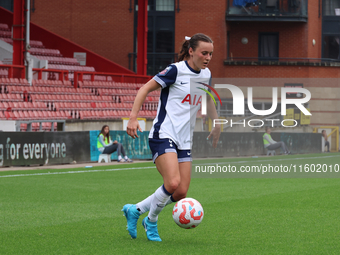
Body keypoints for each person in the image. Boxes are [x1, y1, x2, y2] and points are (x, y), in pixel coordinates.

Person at [122, 33, 221, 242]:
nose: (208, 57)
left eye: (211, 53)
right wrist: (133, 118)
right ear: (191, 51)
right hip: (163, 134)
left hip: (184, 140)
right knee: (173, 182)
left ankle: (135, 209)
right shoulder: (175, 70)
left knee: (180, 192)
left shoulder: (206, 74)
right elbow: (145, 88)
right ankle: (151, 221)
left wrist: (216, 122)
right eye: (204, 53)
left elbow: (209, 98)